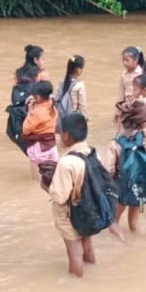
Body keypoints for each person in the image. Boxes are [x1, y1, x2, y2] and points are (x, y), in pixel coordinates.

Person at [48, 112, 98, 278]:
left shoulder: (66, 162)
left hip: (71, 212)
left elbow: (60, 196)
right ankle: (92, 273)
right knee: (88, 245)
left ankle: (77, 283)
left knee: (74, 252)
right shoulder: (92, 152)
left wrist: (46, 184)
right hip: (90, 207)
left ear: (67, 136)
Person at [106, 87, 146, 237]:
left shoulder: (115, 144)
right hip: (138, 182)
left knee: (114, 221)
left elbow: (110, 170)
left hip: (121, 183)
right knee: (134, 220)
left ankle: (122, 241)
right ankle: (135, 238)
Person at [22, 80, 58, 179]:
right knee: (52, 178)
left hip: (39, 149)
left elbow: (26, 129)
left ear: (37, 97)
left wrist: (30, 111)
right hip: (51, 147)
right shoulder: (52, 105)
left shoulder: (37, 112)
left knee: (38, 180)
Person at [55, 55, 87, 131]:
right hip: (73, 120)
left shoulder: (61, 82)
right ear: (78, 70)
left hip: (60, 119)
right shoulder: (79, 85)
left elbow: (56, 99)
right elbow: (83, 107)